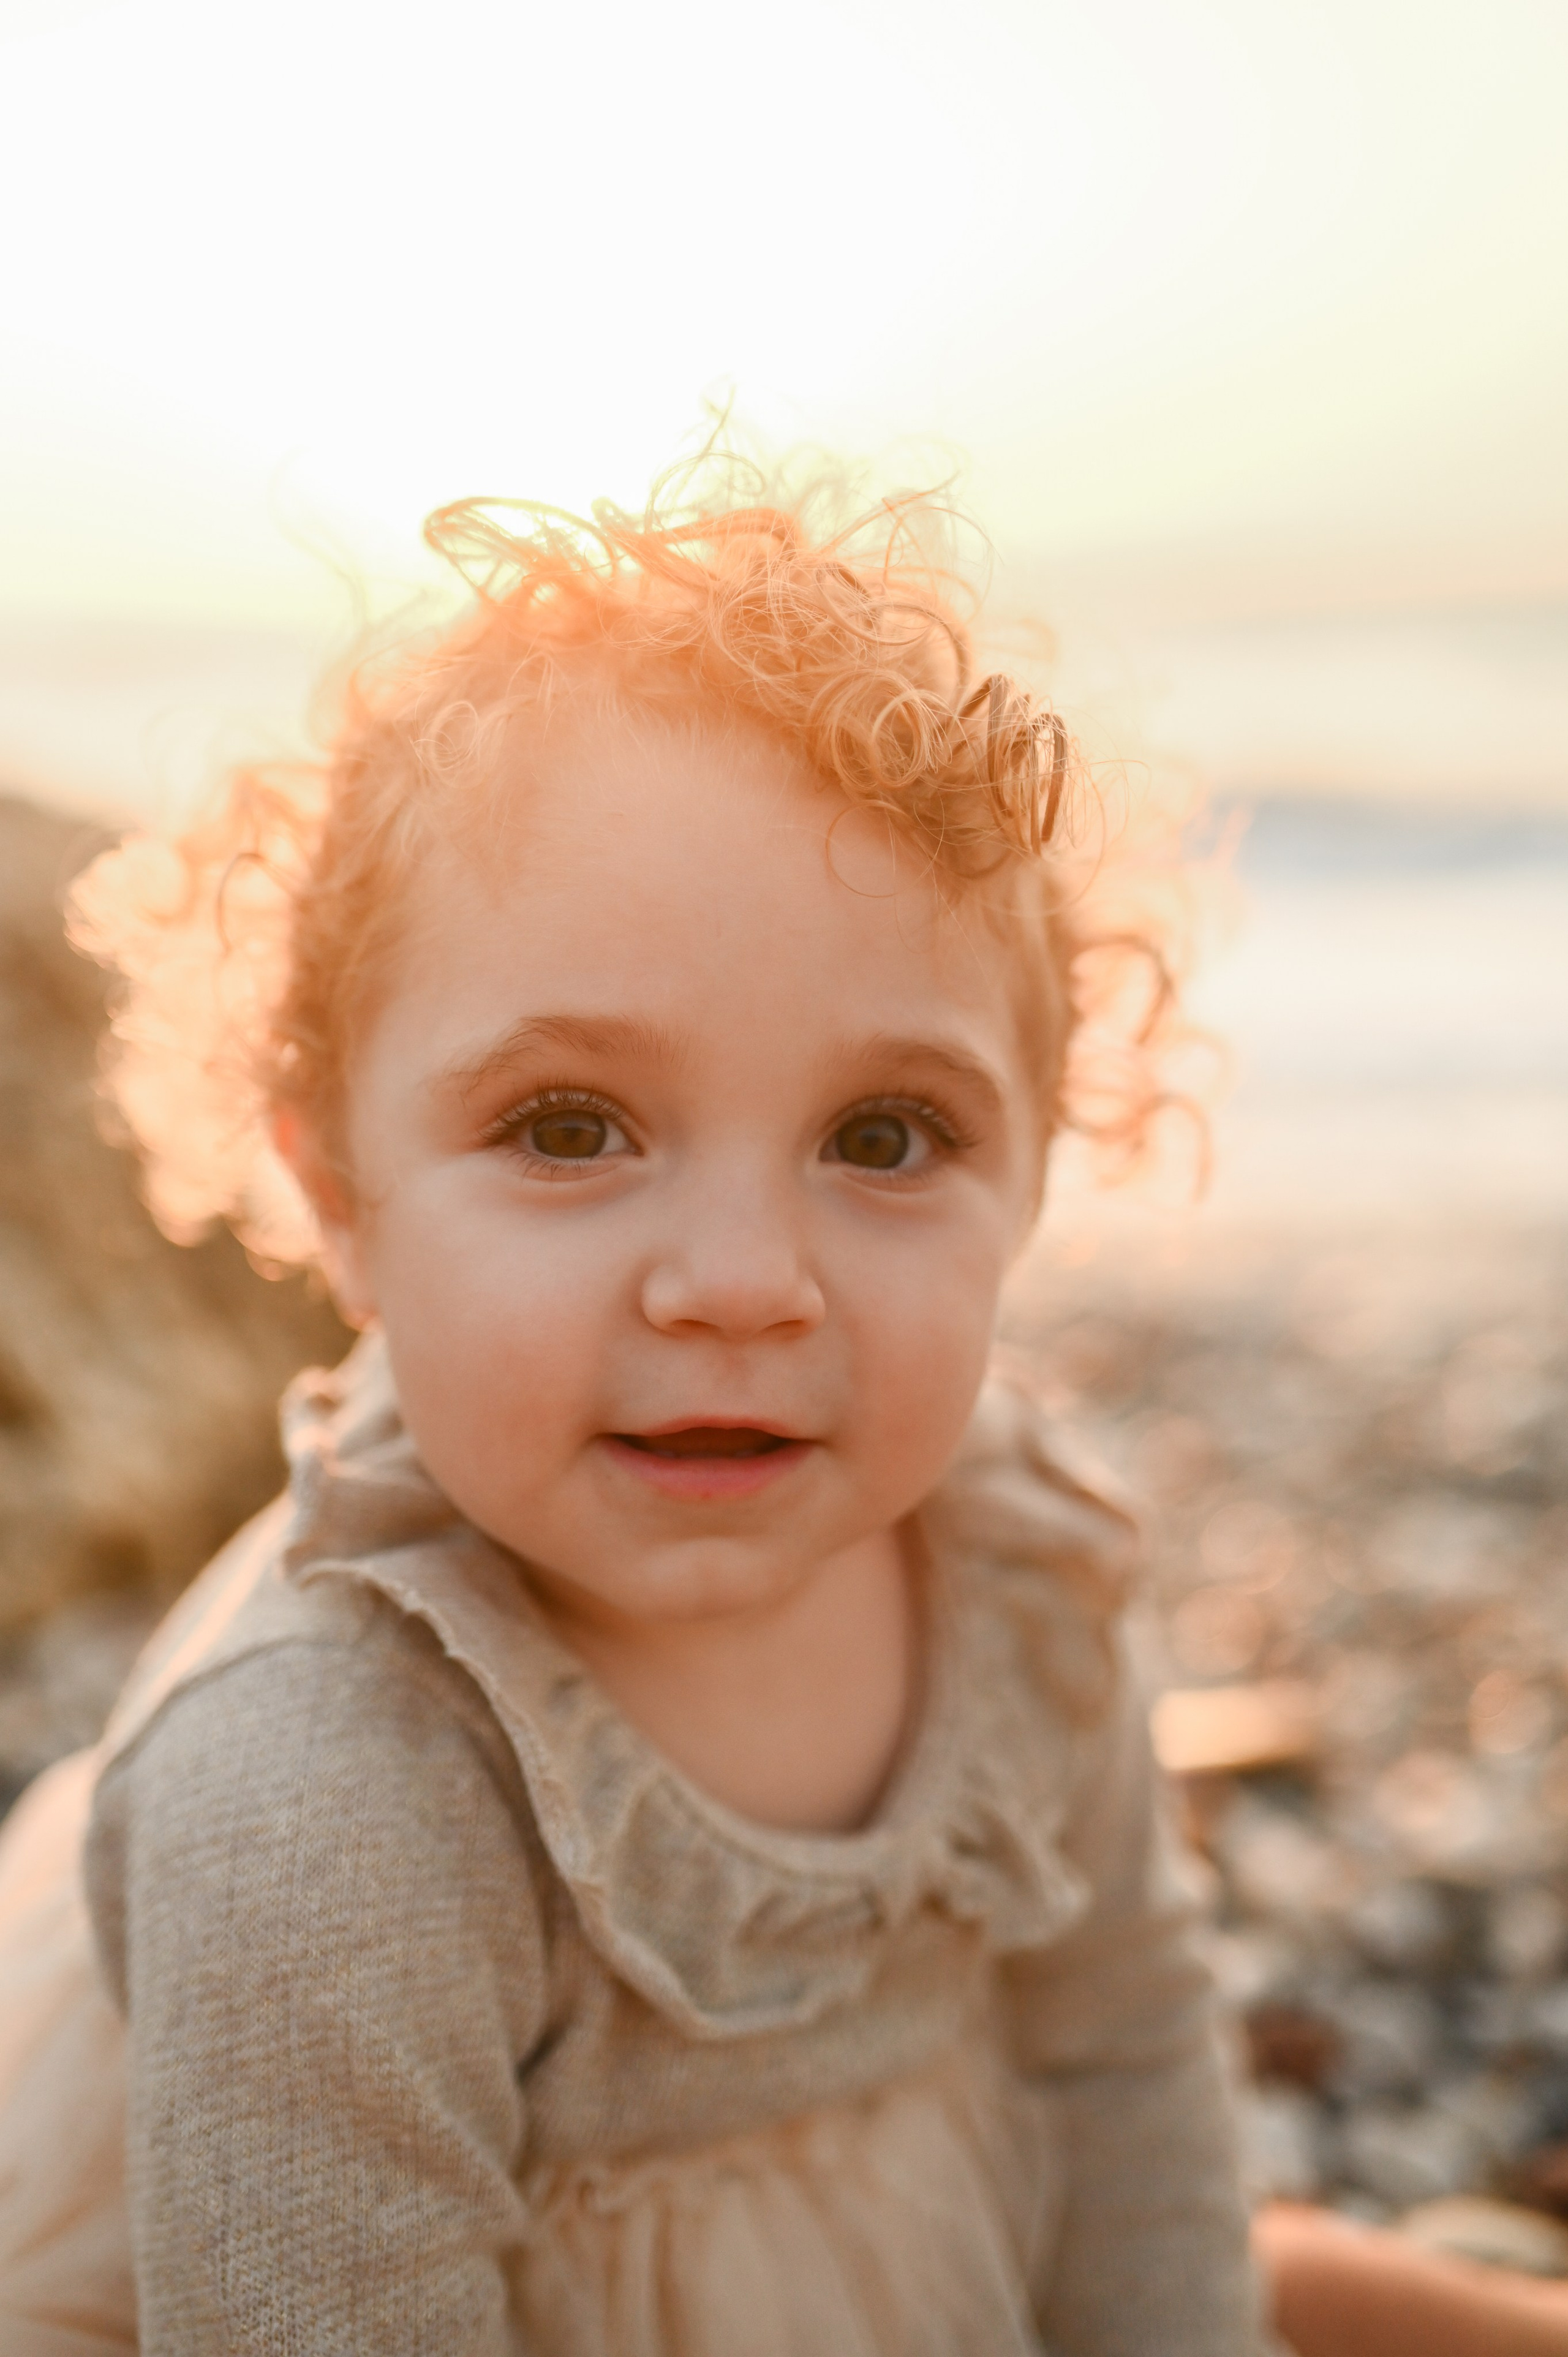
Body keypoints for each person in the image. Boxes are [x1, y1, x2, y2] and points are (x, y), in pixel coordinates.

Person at [0, 467, 1268, 2353]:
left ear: (1031, 1174)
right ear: (340, 1199)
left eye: (885, 1136)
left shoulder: (1015, 1565)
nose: (742, 1278)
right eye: (572, 1129)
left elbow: (1123, 2058)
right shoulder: (323, 1803)